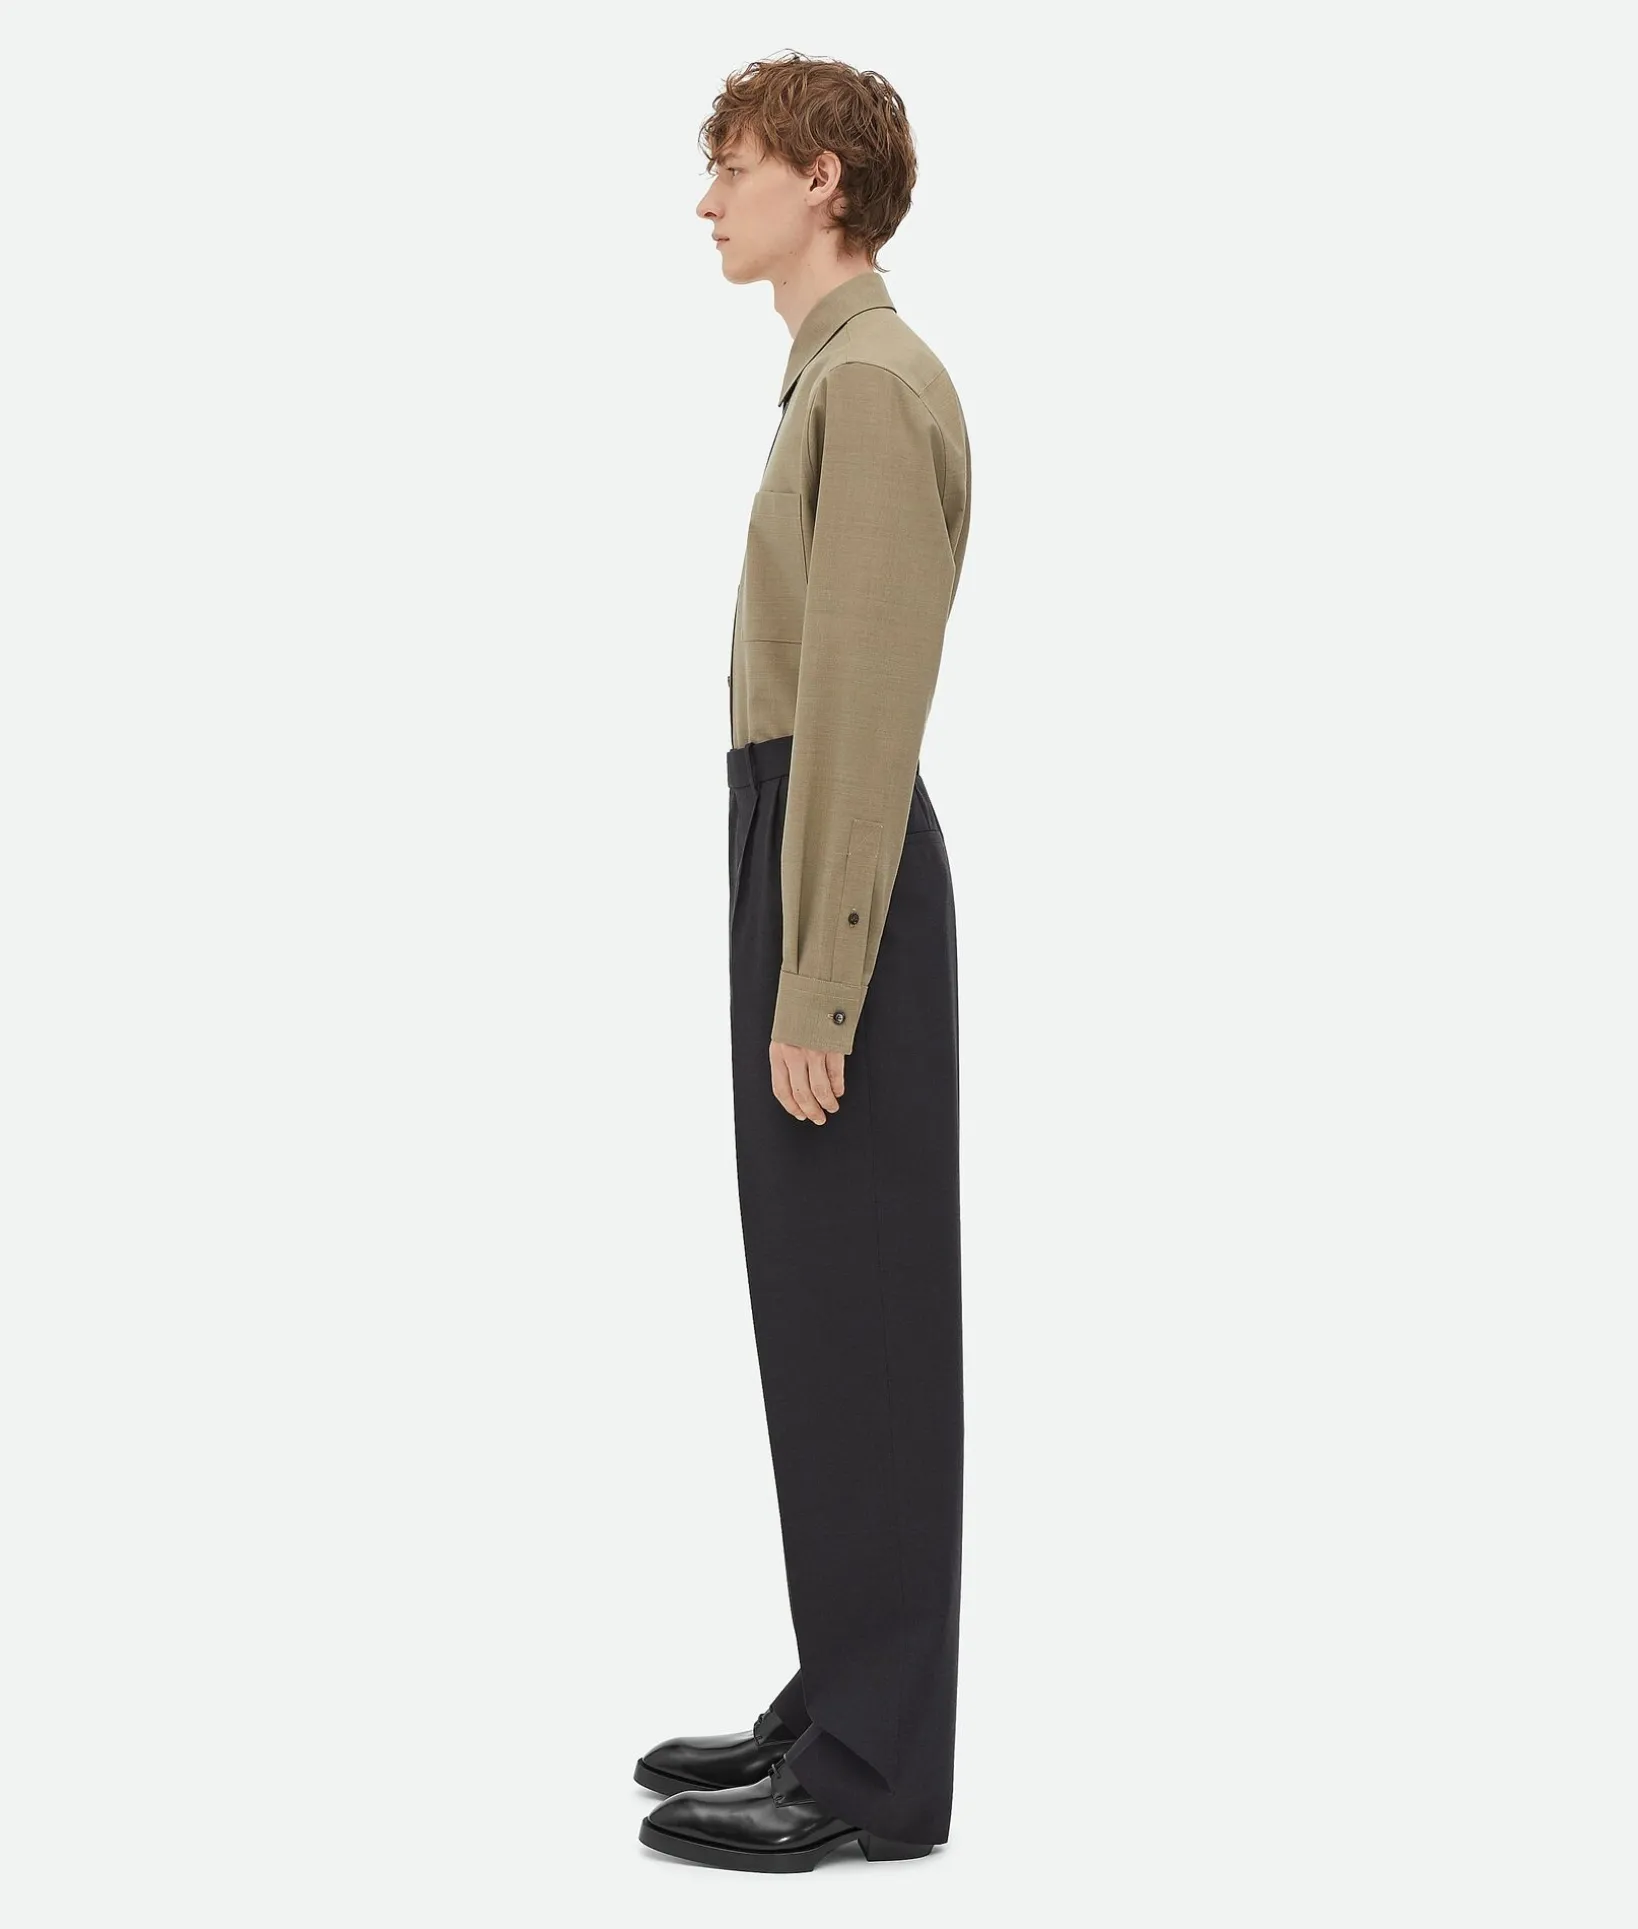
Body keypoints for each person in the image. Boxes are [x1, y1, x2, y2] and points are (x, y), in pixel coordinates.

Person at [635, 52, 972, 1874]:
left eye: (737, 164)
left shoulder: (879, 387)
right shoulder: (829, 380)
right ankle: (844, 1690)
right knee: (821, 1312)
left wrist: (817, 979)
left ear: (823, 181)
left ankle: (874, 1769)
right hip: (802, 846)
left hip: (839, 865)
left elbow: (860, 707)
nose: (707, 199)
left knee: (866, 1321)